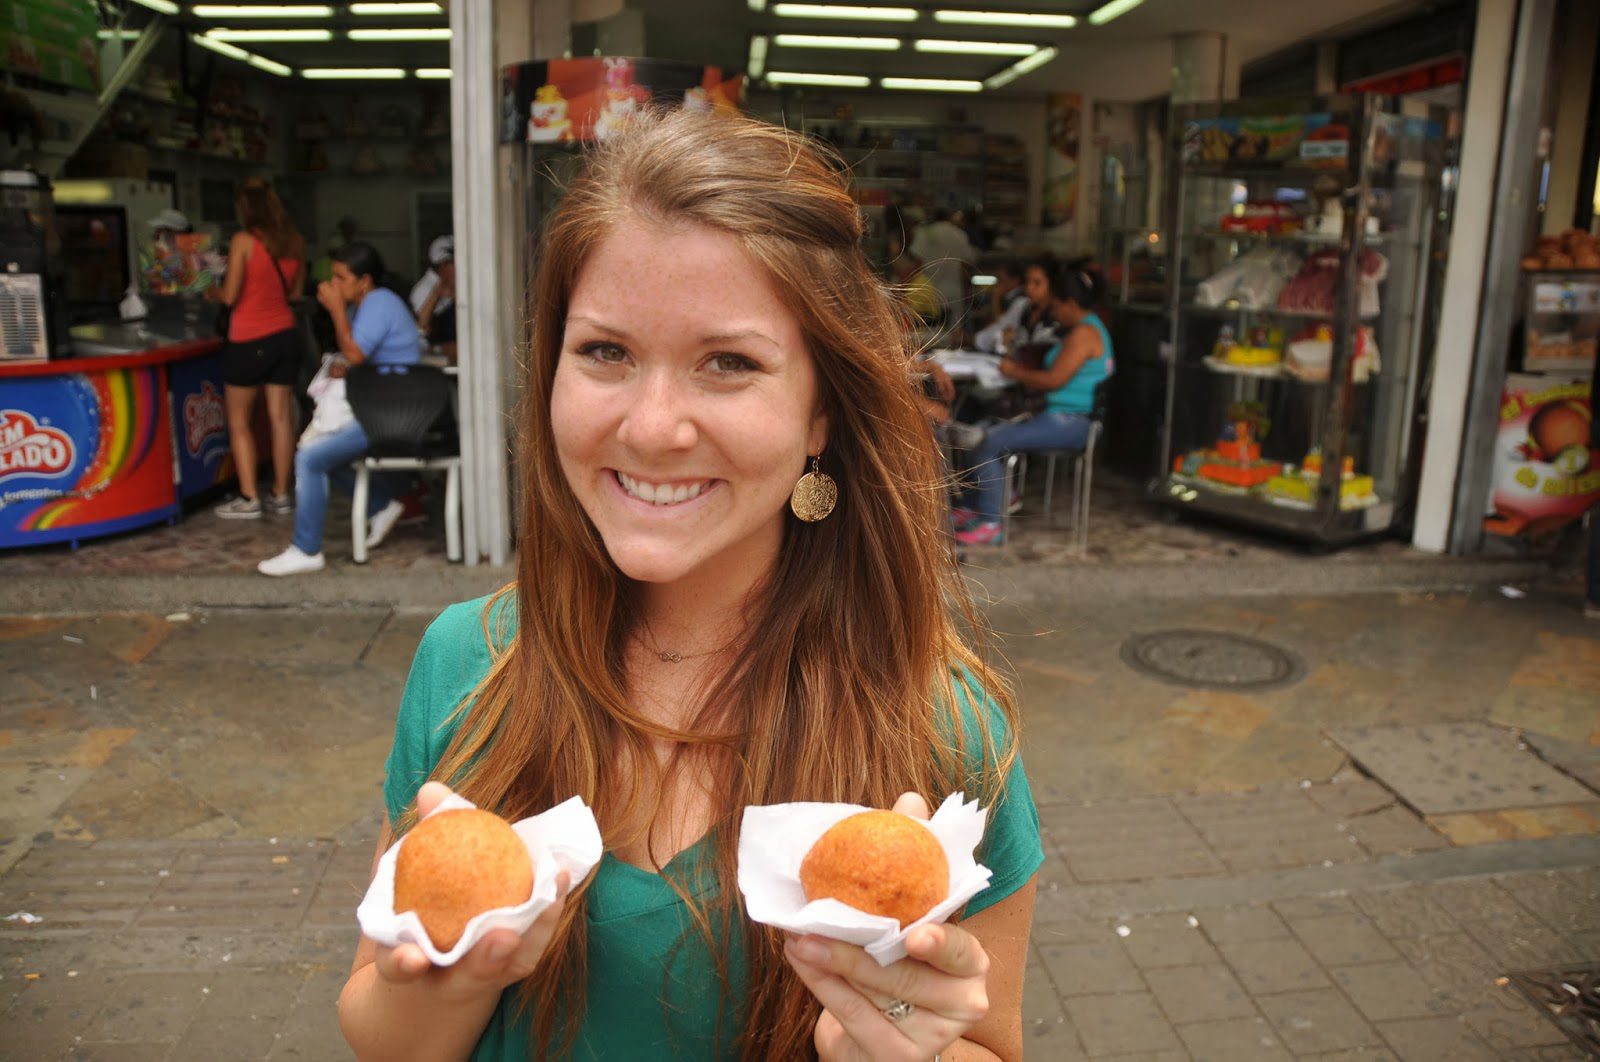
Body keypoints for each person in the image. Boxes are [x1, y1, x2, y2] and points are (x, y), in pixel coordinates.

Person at [336, 108, 1041, 1061]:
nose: (653, 426)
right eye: (606, 352)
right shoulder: (467, 664)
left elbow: (993, 1046)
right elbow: (384, 1037)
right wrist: (460, 979)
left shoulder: (943, 729)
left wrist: (907, 1037)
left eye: (729, 363)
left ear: (821, 412)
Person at [257, 241, 420, 576]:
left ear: (364, 281)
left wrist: (333, 311)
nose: (332, 285)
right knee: (322, 458)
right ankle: (381, 506)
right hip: (381, 405)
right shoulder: (368, 303)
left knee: (309, 458)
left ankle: (306, 549)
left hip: (390, 412)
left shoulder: (378, 302)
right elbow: (358, 356)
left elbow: (357, 354)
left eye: (341, 278)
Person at [953, 263, 1114, 547]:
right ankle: (976, 507)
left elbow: (1053, 380)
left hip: (1072, 422)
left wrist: (1014, 372)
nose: (1053, 312)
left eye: (1057, 306)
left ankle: (991, 522)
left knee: (985, 441)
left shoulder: (1084, 335)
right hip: (1056, 416)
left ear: (1071, 304)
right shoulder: (1081, 329)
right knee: (977, 429)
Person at [210, 179, 306, 520]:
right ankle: (282, 494)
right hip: (285, 336)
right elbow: (294, 295)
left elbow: (231, 295)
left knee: (239, 421)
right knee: (281, 419)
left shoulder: (243, 241)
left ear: (246, 208)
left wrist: (211, 290)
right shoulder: (294, 241)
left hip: (249, 339)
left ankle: (249, 497)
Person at [909, 207, 975, 331]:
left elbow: (917, 263)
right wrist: (966, 289)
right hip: (954, 291)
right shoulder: (960, 235)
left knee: (928, 333)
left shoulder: (925, 233)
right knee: (955, 334)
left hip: (928, 291)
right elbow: (965, 265)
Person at [409, 234, 457, 358]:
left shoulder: (452, 286)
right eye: (455, 263)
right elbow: (422, 332)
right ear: (443, 265)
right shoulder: (423, 291)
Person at [971, 259, 1028, 354]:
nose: (1000, 284)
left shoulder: (1019, 299)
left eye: (1003, 280)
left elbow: (1001, 324)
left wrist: (995, 299)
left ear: (1015, 280)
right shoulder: (1009, 297)